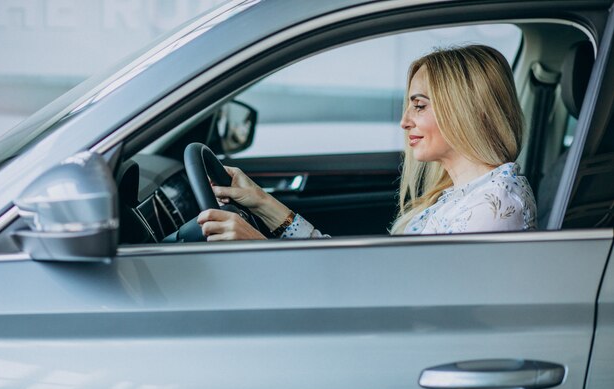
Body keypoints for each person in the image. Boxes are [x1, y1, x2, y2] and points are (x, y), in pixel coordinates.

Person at [196, 44, 537, 241]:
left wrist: (256, 247)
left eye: (419, 105)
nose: (405, 121)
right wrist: (259, 202)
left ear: (464, 108)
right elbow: (364, 277)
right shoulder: (467, 193)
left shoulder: (492, 207)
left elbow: (389, 304)